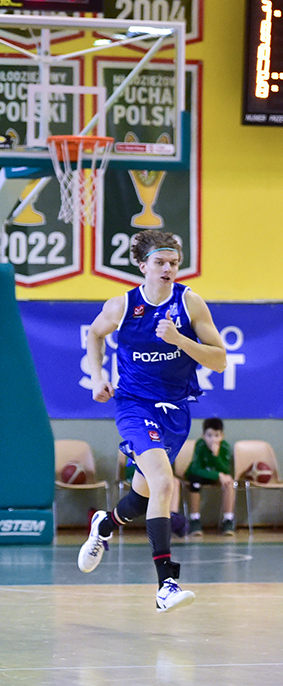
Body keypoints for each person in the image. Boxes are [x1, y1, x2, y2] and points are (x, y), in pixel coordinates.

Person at [77, 230, 227, 613]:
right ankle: (166, 585)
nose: (167, 269)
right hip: (134, 406)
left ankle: (104, 525)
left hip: (176, 411)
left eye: (173, 263)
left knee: (141, 498)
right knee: (164, 482)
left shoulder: (190, 304)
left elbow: (220, 360)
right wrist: (97, 377)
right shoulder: (123, 306)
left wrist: (181, 340)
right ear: (142, 266)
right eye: (160, 262)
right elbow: (94, 335)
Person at [184, 417, 238, 536]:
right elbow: (196, 469)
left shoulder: (225, 447)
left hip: (217, 478)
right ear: (203, 435)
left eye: (216, 435)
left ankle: (228, 520)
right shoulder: (200, 445)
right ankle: (194, 519)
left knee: (229, 482)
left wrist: (215, 455)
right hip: (200, 475)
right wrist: (217, 474)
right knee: (194, 483)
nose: (213, 439)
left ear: (222, 436)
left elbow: (225, 470)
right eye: (209, 435)